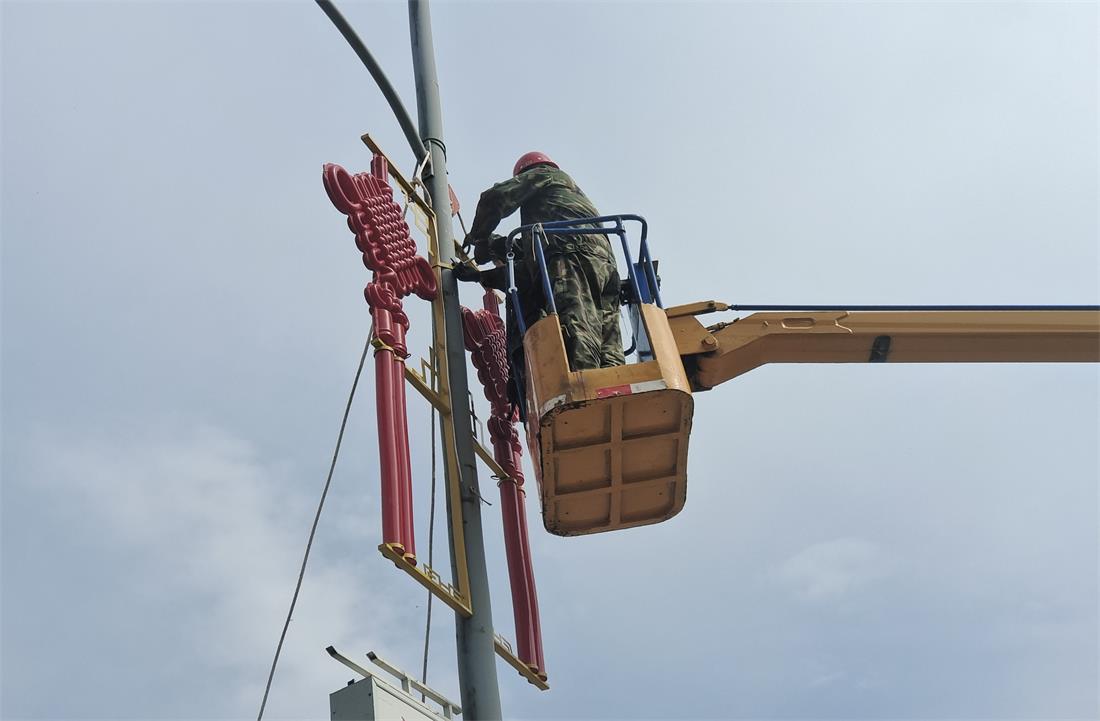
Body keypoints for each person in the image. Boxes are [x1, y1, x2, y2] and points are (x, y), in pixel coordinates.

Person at [456, 151, 625, 373]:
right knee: (606, 333)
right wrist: (480, 275)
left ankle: (585, 384)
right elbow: (528, 272)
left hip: (571, 254)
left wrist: (477, 236)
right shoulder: (562, 207)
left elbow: (495, 198)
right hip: (605, 268)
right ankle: (614, 382)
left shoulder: (547, 175)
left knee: (577, 323)